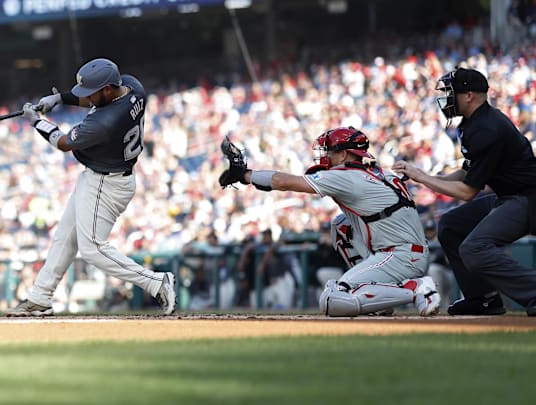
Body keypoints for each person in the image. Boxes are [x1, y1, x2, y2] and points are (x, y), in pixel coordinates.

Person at [4, 58, 177, 316]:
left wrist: (37, 122)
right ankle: (40, 297)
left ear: (108, 89)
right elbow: (97, 99)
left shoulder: (105, 122)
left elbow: (63, 142)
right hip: (101, 177)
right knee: (65, 236)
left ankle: (156, 282)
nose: (87, 98)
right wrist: (61, 99)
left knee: (92, 249)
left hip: (106, 184)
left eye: (92, 93)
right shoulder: (132, 87)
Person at [218, 128, 440, 317]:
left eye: (329, 152)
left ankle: (417, 290)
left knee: (333, 299)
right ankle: (381, 298)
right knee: (341, 225)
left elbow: (283, 181)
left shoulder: (346, 175)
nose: (325, 157)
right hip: (407, 252)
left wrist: (245, 175)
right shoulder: (380, 173)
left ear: (343, 154)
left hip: (400, 256)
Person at [393, 67, 536, 316]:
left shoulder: (487, 128)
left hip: (528, 198)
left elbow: (468, 191)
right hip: (510, 196)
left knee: (474, 248)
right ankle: (483, 299)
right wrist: (424, 180)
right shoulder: (476, 122)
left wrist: (423, 177)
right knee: (450, 225)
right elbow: (466, 173)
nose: (446, 98)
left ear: (468, 95)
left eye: (451, 92)